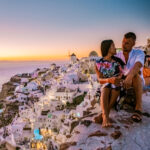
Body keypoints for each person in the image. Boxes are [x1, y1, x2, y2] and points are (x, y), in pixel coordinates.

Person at [116, 32, 145, 122]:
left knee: (136, 75)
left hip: (136, 81)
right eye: (123, 42)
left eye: (127, 43)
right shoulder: (118, 55)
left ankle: (138, 108)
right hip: (122, 80)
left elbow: (138, 65)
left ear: (133, 43)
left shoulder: (139, 53)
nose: (124, 45)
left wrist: (129, 76)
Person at [95, 40, 125, 127]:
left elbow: (122, 74)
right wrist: (109, 80)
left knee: (116, 86)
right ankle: (105, 116)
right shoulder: (99, 62)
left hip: (117, 87)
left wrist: (117, 79)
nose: (115, 47)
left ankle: (104, 115)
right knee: (106, 86)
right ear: (108, 48)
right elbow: (100, 80)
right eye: (113, 46)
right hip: (105, 87)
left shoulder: (118, 62)